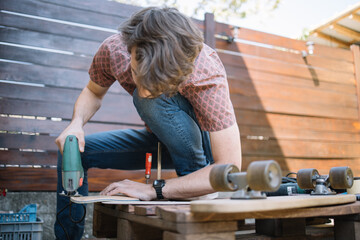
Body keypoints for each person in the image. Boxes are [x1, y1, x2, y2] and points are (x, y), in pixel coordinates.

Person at [54, 6, 241, 239]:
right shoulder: (114, 49)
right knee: (73, 148)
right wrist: (76, 124)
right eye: (136, 75)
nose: (142, 89)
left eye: (156, 86)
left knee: (149, 101)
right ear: (129, 50)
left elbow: (229, 168)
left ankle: (195, 184)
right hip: (161, 140)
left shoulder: (205, 71)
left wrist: (155, 189)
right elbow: (93, 92)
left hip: (205, 157)